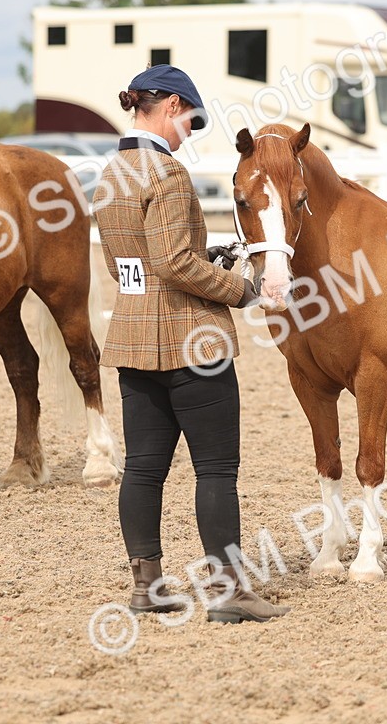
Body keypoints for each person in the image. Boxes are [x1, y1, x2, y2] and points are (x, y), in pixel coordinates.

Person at [94, 64, 289, 624]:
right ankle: (227, 592)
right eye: (191, 122)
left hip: (133, 338)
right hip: (190, 344)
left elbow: (126, 264)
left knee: (144, 468)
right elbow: (175, 262)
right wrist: (242, 288)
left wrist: (206, 260)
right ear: (173, 107)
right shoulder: (168, 174)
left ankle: (147, 586)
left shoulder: (111, 173)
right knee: (216, 469)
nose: (190, 134)